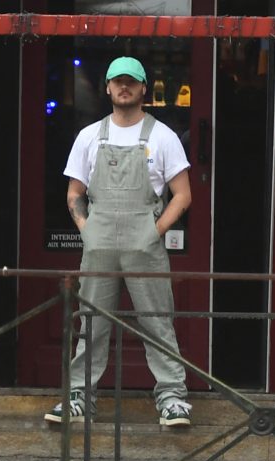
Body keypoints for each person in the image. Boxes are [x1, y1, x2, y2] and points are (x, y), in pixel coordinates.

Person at [45, 56, 195, 428]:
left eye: (131, 81)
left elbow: (183, 194)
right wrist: (88, 228)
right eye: (117, 81)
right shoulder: (89, 136)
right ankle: (80, 396)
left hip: (144, 242)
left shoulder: (162, 136)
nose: (123, 87)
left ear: (144, 88)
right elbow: (74, 192)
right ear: (108, 88)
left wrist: (153, 231)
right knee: (91, 321)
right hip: (99, 243)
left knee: (157, 320)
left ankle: (172, 397)